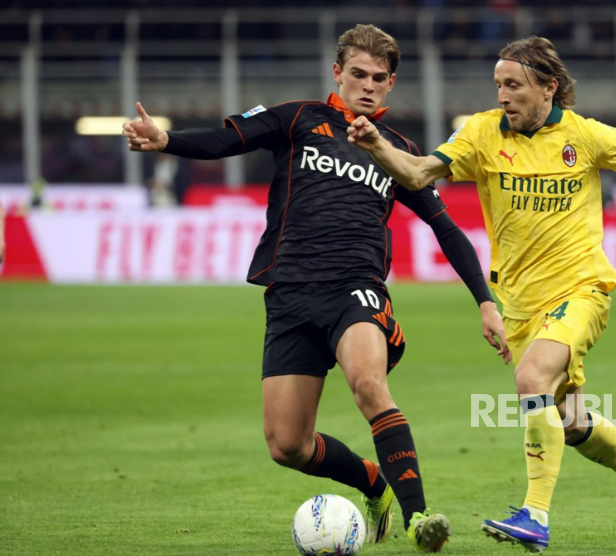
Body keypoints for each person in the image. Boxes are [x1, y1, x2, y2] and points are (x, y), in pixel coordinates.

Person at [123, 24, 510, 554]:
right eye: (358, 74)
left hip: (357, 290)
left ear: (391, 84)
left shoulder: (397, 151)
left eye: (379, 78)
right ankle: (374, 483)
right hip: (289, 294)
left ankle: (421, 519)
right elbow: (224, 140)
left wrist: (485, 302)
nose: (368, 85)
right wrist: (166, 140)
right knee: (288, 445)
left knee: (369, 387)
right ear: (338, 73)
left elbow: (446, 229)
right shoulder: (297, 118)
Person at [348, 36, 616, 553]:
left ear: (548, 87)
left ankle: (535, 515)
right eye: (498, 85)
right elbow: (419, 172)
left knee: (531, 376)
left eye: (513, 85)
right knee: (572, 424)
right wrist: (377, 145)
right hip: (519, 305)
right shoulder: (480, 134)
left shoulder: (585, 135)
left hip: (583, 289)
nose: (503, 95)